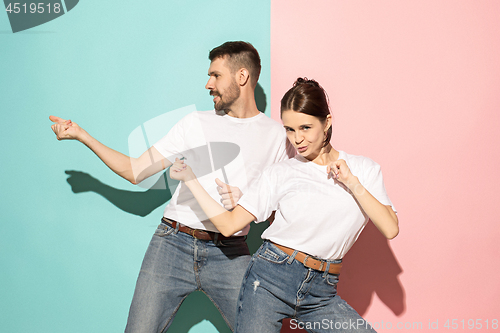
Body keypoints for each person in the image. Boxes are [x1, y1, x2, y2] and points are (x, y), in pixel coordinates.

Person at [50, 41, 292, 333]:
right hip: (172, 244)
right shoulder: (194, 123)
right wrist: (81, 135)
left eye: (216, 75)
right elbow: (136, 171)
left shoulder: (277, 138)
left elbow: (281, 211)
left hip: (230, 253)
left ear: (242, 77)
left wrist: (249, 201)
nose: (208, 84)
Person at [170, 78, 399, 333]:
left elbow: (390, 228)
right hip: (268, 280)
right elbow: (228, 224)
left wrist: (351, 182)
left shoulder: (363, 169)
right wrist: (190, 179)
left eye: (305, 127)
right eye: (289, 129)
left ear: (327, 122)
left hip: (322, 291)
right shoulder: (280, 173)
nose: (297, 139)